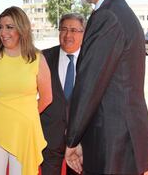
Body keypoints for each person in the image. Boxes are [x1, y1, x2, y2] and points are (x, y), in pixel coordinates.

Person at [64, 0, 148, 174]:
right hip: (121, 140)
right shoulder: (122, 13)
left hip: (112, 143)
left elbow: (90, 84)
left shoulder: (107, 16)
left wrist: (72, 139)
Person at [0, 6, 52, 175]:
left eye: (9, 27)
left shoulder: (37, 59)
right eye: (0, 27)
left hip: (24, 131)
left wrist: (24, 115)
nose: (3, 32)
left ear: (22, 29)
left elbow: (47, 97)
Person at [41, 13, 85, 175]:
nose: (68, 35)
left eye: (74, 30)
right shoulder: (43, 57)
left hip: (81, 141)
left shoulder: (91, 60)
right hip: (49, 137)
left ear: (83, 33)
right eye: (64, 29)